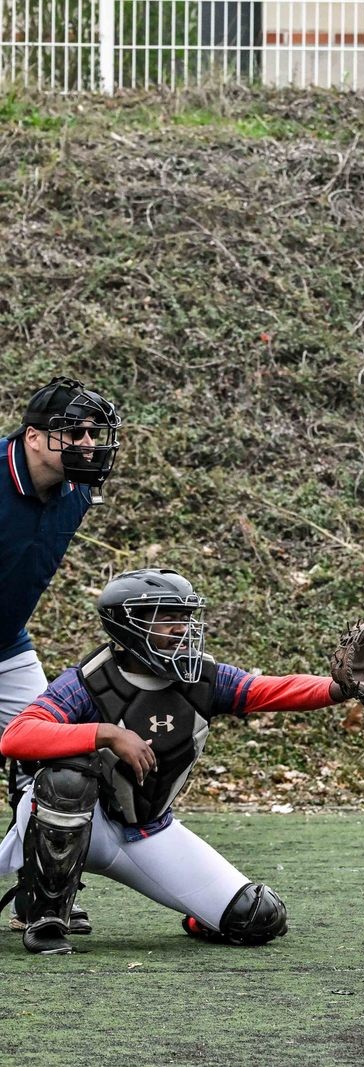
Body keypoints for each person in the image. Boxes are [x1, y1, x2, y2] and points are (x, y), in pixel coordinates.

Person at [0, 567, 364, 955]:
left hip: (147, 830)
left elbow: (266, 690)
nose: (182, 628)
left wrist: (337, 688)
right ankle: (44, 913)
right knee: (66, 779)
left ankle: (201, 916)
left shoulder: (203, 677)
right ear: (127, 624)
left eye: (186, 617)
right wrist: (108, 733)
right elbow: (17, 736)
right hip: (82, 822)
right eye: (167, 617)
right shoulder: (90, 680)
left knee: (257, 917)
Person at [2, 376, 122, 936]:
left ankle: (42, 893)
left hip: (7, 649)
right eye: (74, 432)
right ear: (32, 438)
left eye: (94, 432)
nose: (89, 443)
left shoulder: (75, 492)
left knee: (61, 768)